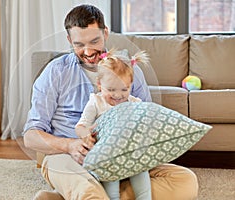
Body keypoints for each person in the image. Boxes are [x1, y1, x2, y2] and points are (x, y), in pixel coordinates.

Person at [23, 4, 198, 200]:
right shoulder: (54, 72)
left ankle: (68, 197)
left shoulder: (130, 71)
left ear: (105, 33)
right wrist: (70, 145)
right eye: (79, 44)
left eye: (94, 41)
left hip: (124, 161)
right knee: (74, 177)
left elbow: (147, 120)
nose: (88, 51)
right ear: (69, 40)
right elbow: (31, 136)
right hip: (70, 159)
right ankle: (88, 192)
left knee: (185, 181)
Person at [75, 50, 152, 200]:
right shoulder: (96, 103)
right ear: (99, 85)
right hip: (107, 157)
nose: (117, 95)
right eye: (111, 90)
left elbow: (146, 126)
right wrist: (86, 135)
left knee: (142, 174)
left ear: (131, 85)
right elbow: (80, 126)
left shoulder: (135, 104)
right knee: (110, 185)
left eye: (124, 89)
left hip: (131, 154)